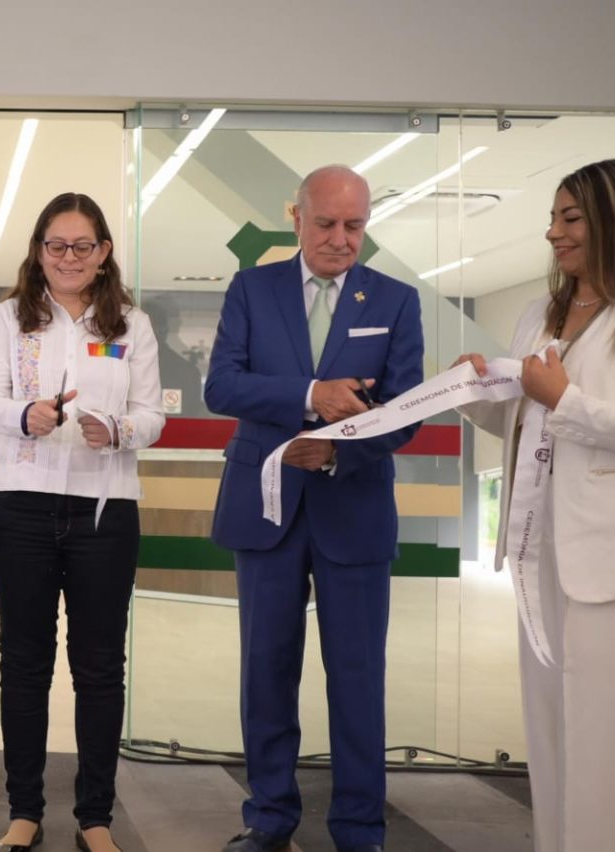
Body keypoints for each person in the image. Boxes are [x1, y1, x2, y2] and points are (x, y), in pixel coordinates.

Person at [454, 158, 615, 852]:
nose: (553, 233)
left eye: (570, 218)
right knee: (556, 746)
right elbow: (526, 421)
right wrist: (478, 396)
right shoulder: (540, 313)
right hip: (543, 561)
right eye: (553, 218)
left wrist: (566, 400)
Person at [205, 165, 424, 852]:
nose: (340, 239)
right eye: (326, 223)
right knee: (266, 671)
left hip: (354, 508)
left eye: (355, 226)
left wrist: (335, 451)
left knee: (357, 678)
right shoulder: (251, 289)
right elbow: (222, 386)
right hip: (265, 508)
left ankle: (359, 829)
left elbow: (407, 411)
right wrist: (311, 395)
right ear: (296, 217)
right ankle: (269, 818)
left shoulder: (395, 301)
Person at [0, 192, 165, 852]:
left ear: (104, 253)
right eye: (56, 245)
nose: (69, 257)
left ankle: (95, 818)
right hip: (20, 506)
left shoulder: (132, 325)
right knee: (25, 664)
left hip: (104, 511)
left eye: (83, 246)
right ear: (39, 251)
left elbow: (152, 415)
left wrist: (118, 429)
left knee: (100, 668)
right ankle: (24, 811)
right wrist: (23, 415)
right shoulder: (12, 318)